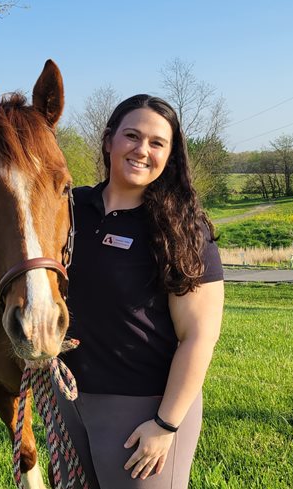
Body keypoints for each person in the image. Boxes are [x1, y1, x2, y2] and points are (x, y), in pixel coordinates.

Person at [58, 94, 224, 489]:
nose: (142, 150)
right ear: (108, 139)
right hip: (69, 401)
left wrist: (165, 424)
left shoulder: (183, 228)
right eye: (132, 135)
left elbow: (199, 335)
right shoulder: (69, 208)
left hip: (143, 409)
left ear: (170, 155)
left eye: (156, 143)